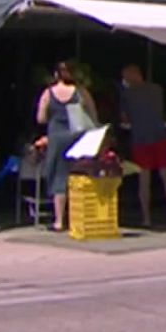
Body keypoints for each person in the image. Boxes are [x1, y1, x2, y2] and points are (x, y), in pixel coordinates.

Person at [35, 62, 99, 232]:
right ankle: (81, 215)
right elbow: (93, 115)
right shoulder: (81, 92)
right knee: (81, 174)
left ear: (56, 75)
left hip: (57, 138)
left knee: (59, 178)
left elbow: (40, 118)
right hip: (78, 136)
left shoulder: (48, 93)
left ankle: (59, 220)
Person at [121, 64, 166, 228]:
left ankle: (146, 217)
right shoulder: (157, 89)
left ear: (133, 75)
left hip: (140, 139)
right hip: (160, 136)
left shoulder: (127, 94)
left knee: (144, 179)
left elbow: (125, 118)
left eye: (126, 77)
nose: (125, 81)